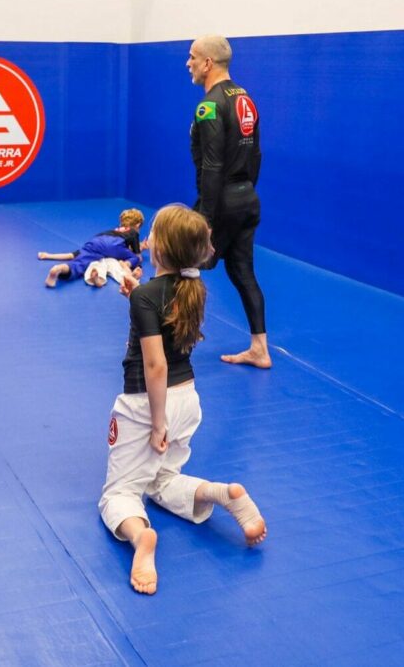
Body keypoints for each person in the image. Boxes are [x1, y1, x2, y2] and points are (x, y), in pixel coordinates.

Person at [99, 204, 267, 596]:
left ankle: (142, 540)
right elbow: (165, 323)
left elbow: (155, 365)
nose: (148, 237)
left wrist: (157, 423)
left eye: (153, 232)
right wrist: (134, 298)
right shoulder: (192, 288)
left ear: (161, 249)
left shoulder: (147, 294)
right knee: (162, 479)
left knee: (119, 493)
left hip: (147, 404)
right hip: (187, 400)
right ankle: (220, 493)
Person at [185, 35, 271, 368]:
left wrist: (204, 218)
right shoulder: (244, 97)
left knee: (183, 264)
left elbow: (212, 164)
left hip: (220, 202)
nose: (188, 63)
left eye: (193, 57)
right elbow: (257, 153)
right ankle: (260, 349)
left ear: (208, 63)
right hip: (247, 198)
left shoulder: (209, 105)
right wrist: (244, 192)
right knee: (241, 271)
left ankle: (171, 346)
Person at [39, 208, 145, 288]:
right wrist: (136, 261)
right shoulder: (133, 232)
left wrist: (48, 255)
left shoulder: (114, 230)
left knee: (79, 263)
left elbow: (71, 254)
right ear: (138, 225)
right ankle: (126, 265)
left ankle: (60, 268)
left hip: (96, 241)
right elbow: (136, 254)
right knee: (135, 259)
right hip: (115, 245)